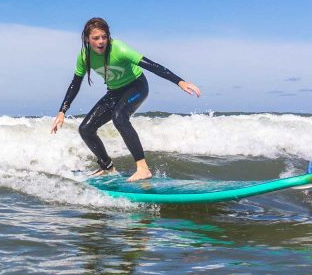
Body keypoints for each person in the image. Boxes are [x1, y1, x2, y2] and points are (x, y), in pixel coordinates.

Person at [50, 17, 200, 181]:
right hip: (114, 92)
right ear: (87, 39)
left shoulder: (119, 49)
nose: (101, 42)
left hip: (137, 86)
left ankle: (143, 168)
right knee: (85, 129)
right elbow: (75, 83)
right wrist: (62, 111)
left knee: (119, 117)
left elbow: (152, 65)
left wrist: (180, 81)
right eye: (96, 38)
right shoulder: (84, 56)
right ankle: (107, 167)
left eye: (104, 37)